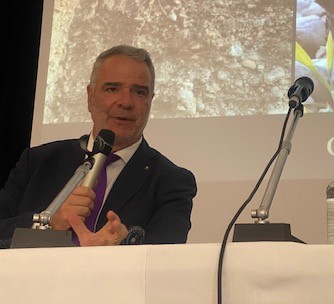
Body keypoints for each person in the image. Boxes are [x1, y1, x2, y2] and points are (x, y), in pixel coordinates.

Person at [0, 45, 197, 248]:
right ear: (90, 96)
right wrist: (50, 223)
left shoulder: (172, 182)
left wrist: (119, 251)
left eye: (139, 92)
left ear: (150, 101)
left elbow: (164, 263)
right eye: (112, 89)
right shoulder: (38, 162)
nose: (126, 102)